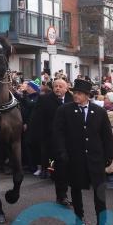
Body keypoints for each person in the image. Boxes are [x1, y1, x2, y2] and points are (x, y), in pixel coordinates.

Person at [52, 78, 113, 225]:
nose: (76, 96)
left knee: (99, 190)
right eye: (75, 93)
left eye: (80, 94)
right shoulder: (64, 110)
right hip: (75, 156)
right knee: (76, 188)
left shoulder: (99, 111)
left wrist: (109, 155)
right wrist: (62, 152)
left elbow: (106, 135)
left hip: (95, 157)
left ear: (88, 96)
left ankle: (102, 223)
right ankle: (79, 217)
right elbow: (58, 133)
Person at [30, 78, 72, 207]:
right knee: (56, 167)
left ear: (66, 88)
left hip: (70, 141)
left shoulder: (72, 99)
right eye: (56, 86)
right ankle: (61, 195)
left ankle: (66, 194)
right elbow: (37, 119)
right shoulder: (44, 99)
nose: (58, 88)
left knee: (67, 169)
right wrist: (40, 137)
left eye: (60, 86)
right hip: (51, 141)